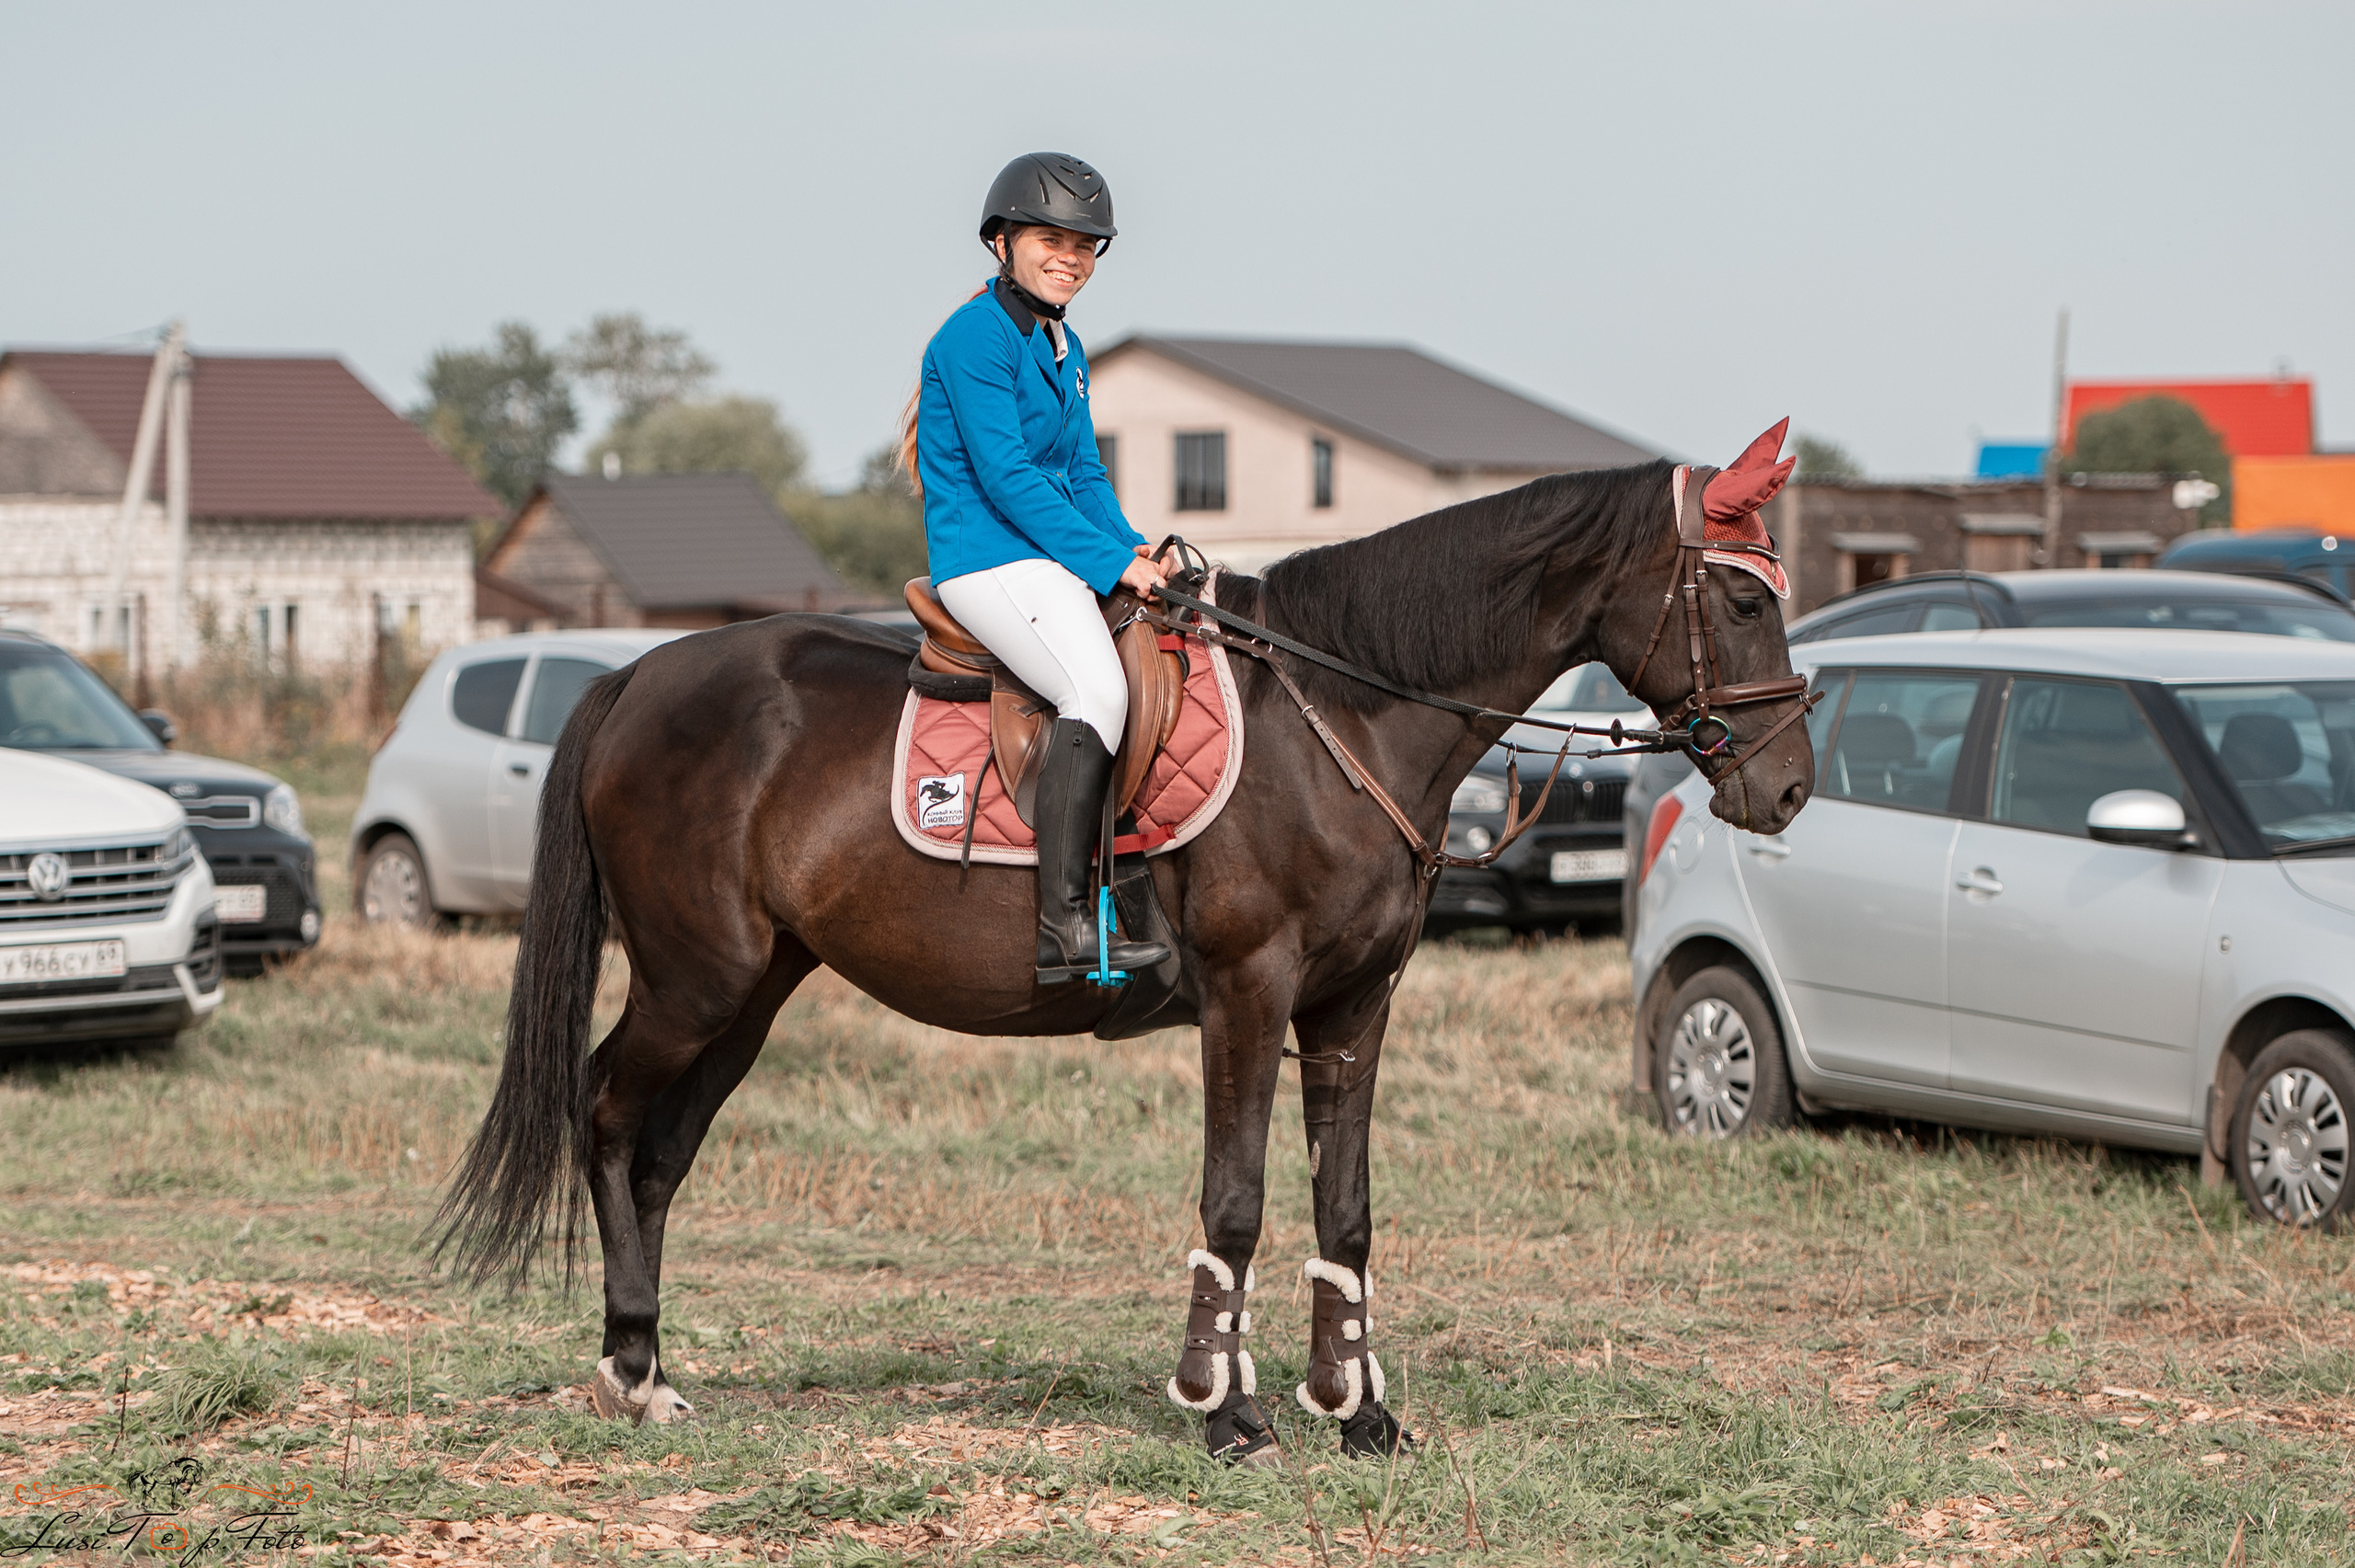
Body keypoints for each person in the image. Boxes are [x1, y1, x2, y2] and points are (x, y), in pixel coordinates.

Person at [904, 152, 1173, 985]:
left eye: (1085, 245)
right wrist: (1107, 562)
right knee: (1096, 692)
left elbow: (1083, 472)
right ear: (1002, 242)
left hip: (1046, 555)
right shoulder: (972, 338)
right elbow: (1009, 477)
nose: (1070, 257)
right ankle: (1063, 928)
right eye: (1051, 239)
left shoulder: (1065, 344)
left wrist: (1132, 549)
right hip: (987, 558)